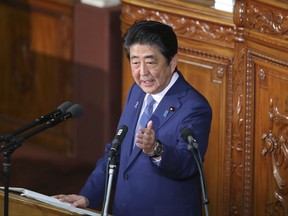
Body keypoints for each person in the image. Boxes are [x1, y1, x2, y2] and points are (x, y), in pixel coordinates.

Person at [54, 20, 212, 216]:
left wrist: (156, 149)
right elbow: (116, 151)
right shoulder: (136, 92)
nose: (142, 72)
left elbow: (188, 164)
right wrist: (88, 196)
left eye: (151, 62)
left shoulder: (194, 106)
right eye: (135, 62)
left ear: (172, 62)